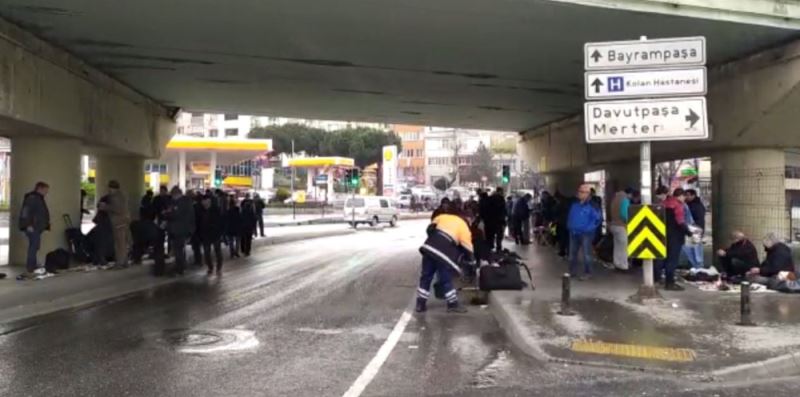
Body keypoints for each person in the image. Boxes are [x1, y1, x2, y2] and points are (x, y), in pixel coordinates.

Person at [416, 206, 472, 314]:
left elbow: (429, 228)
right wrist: (470, 263)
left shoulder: (443, 217)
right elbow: (468, 249)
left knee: (426, 276)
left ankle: (420, 304)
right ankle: (452, 304)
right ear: (467, 219)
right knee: (445, 278)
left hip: (429, 249)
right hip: (443, 255)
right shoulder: (464, 227)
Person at [658, 188, 692, 291]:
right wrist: (689, 232)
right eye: (684, 197)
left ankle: (657, 279)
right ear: (680, 196)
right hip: (675, 237)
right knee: (672, 260)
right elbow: (680, 222)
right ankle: (669, 283)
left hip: (663, 235)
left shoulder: (664, 203)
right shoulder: (678, 205)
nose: (684, 199)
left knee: (662, 258)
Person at [567, 184, 602, 280]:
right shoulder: (575, 204)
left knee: (587, 254)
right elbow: (571, 216)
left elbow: (597, 219)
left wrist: (588, 229)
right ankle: (572, 272)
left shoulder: (593, 205)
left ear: (588, 194)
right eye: (579, 191)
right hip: (574, 232)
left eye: (582, 192)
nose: (579, 193)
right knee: (572, 254)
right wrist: (570, 226)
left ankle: (588, 273)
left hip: (586, 233)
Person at [18, 182, 50, 277]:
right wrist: (28, 225)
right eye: (45, 190)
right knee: (33, 246)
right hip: (32, 227)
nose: (46, 192)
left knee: (35, 246)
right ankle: (31, 267)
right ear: (39, 188)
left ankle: (33, 265)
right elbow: (26, 212)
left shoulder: (38, 198)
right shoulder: (32, 198)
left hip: (36, 227)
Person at [165, 186, 195, 276]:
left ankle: (180, 268)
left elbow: (176, 215)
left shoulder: (181, 203)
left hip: (179, 229)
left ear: (176, 194)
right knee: (179, 249)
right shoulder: (187, 202)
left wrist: (168, 213)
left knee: (178, 249)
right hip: (182, 229)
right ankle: (181, 267)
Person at [102, 180, 131, 269]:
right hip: (123, 222)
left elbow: (118, 209)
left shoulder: (116, 197)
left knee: (119, 244)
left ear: (114, 188)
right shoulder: (121, 196)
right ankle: (124, 262)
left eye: (111, 188)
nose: (109, 190)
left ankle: (119, 263)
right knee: (122, 243)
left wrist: (105, 207)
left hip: (119, 222)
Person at [197, 194, 224, 276]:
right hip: (205, 235)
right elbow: (199, 223)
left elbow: (221, 222)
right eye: (203, 201)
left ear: (209, 201)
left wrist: (220, 232)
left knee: (217, 251)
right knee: (206, 252)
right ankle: (210, 267)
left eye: (206, 201)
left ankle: (218, 268)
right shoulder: (200, 211)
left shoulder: (216, 210)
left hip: (215, 234)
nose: (204, 203)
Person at [609, 187, 632, 271]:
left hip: (613, 225)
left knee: (617, 246)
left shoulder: (615, 199)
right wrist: (629, 221)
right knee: (624, 247)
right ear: (629, 194)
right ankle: (624, 265)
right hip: (621, 226)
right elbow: (624, 214)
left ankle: (617, 263)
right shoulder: (625, 200)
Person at [684, 189, 706, 269]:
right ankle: (694, 265)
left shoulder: (696, 205)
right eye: (685, 195)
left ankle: (698, 266)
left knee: (696, 249)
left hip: (696, 229)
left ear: (693, 195)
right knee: (691, 247)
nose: (686, 197)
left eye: (688, 195)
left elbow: (697, 219)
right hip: (693, 229)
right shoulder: (690, 204)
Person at [483, 187, 507, 252]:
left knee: (491, 235)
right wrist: (504, 220)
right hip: (498, 220)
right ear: (500, 191)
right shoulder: (501, 199)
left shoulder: (490, 198)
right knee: (499, 234)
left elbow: (486, 209)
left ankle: (490, 247)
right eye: (502, 191)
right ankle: (498, 247)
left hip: (490, 220)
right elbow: (503, 210)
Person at [191, 194, 204, 267]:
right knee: (198, 246)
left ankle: (198, 260)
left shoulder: (195, 207)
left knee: (196, 246)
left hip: (196, 229)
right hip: (201, 229)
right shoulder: (202, 207)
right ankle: (199, 260)